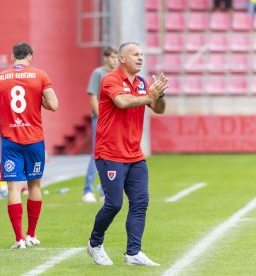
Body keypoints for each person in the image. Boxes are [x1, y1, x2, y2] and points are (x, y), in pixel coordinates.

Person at [86, 42, 168, 266]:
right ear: (122, 58)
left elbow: (159, 110)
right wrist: (148, 96)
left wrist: (158, 95)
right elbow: (121, 102)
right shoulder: (110, 79)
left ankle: (133, 252)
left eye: (142, 54)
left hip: (135, 154)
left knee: (141, 202)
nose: (140, 58)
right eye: (135, 54)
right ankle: (95, 243)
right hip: (110, 153)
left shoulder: (142, 83)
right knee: (113, 204)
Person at [0, 42, 58, 249]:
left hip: (11, 140)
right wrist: (38, 100)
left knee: (14, 188)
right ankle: (31, 234)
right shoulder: (40, 75)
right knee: (35, 184)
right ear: (30, 57)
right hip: (35, 139)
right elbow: (54, 105)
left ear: (12, 57)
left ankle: (18, 238)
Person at [82, 46, 118, 203]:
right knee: (96, 153)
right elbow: (92, 96)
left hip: (115, 120)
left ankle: (104, 191)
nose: (114, 60)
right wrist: (101, 116)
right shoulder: (98, 73)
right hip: (101, 118)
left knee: (111, 155)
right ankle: (88, 190)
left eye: (117, 56)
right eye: (112, 57)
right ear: (105, 58)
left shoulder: (118, 75)